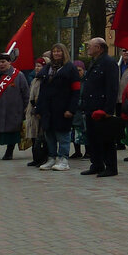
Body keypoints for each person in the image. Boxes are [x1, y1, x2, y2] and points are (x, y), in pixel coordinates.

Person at [34, 43, 79, 171]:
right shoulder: (47, 69)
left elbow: (76, 91)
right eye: (54, 51)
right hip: (48, 109)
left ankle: (63, 159)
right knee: (50, 134)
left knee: (63, 135)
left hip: (63, 108)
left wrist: (71, 109)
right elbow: (42, 91)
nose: (57, 53)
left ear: (64, 53)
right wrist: (39, 109)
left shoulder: (70, 69)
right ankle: (51, 158)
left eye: (59, 51)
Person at [79, 38, 120, 178]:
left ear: (99, 48)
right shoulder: (94, 62)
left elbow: (112, 88)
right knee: (93, 138)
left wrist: (108, 110)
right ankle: (96, 164)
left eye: (90, 46)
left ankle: (111, 167)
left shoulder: (109, 63)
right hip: (91, 107)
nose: (88, 48)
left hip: (101, 108)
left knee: (106, 139)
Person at [24, 55, 48, 167]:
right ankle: (36, 158)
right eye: (36, 66)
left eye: (40, 66)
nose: (37, 68)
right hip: (32, 111)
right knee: (34, 136)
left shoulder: (45, 80)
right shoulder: (34, 80)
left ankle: (43, 157)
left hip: (40, 111)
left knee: (41, 137)